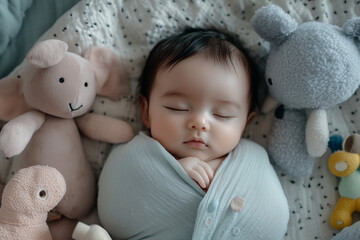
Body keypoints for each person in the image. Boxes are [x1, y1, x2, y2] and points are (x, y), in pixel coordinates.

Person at [98, 28, 289, 240]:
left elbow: (272, 218)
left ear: (245, 123)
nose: (200, 122)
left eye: (222, 114)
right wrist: (173, 172)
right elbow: (115, 204)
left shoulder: (253, 162)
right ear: (146, 111)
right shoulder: (134, 159)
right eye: (177, 108)